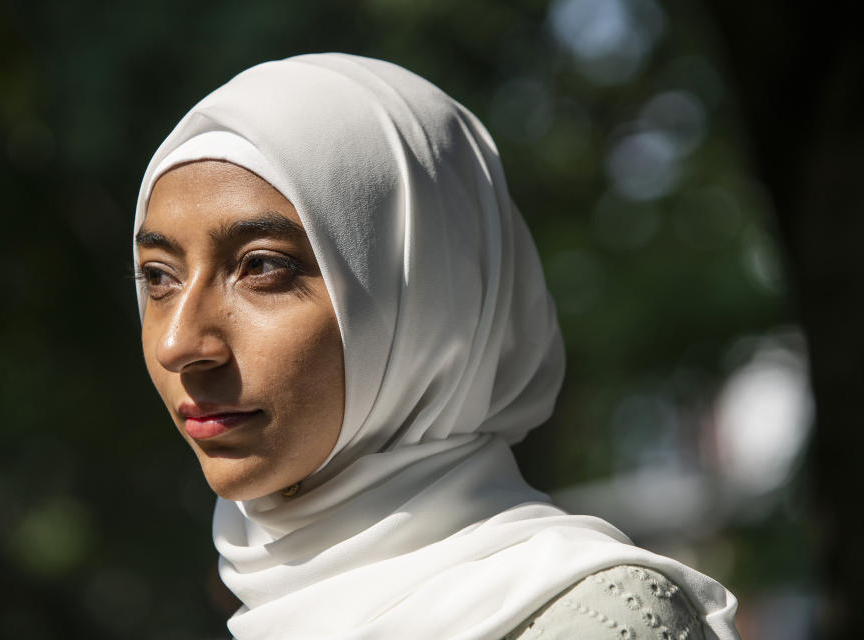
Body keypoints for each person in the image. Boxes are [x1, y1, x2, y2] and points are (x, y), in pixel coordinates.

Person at [133, 53, 740, 639]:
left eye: (262, 267)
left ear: (423, 295)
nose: (180, 342)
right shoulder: (264, 606)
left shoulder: (588, 619)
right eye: (159, 276)